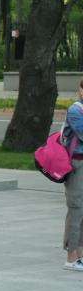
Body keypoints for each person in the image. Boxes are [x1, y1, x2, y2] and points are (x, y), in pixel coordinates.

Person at [61, 79, 83, 271]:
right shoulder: (75, 110)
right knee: (76, 208)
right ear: (80, 90)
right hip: (76, 164)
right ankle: (70, 257)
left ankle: (80, 255)